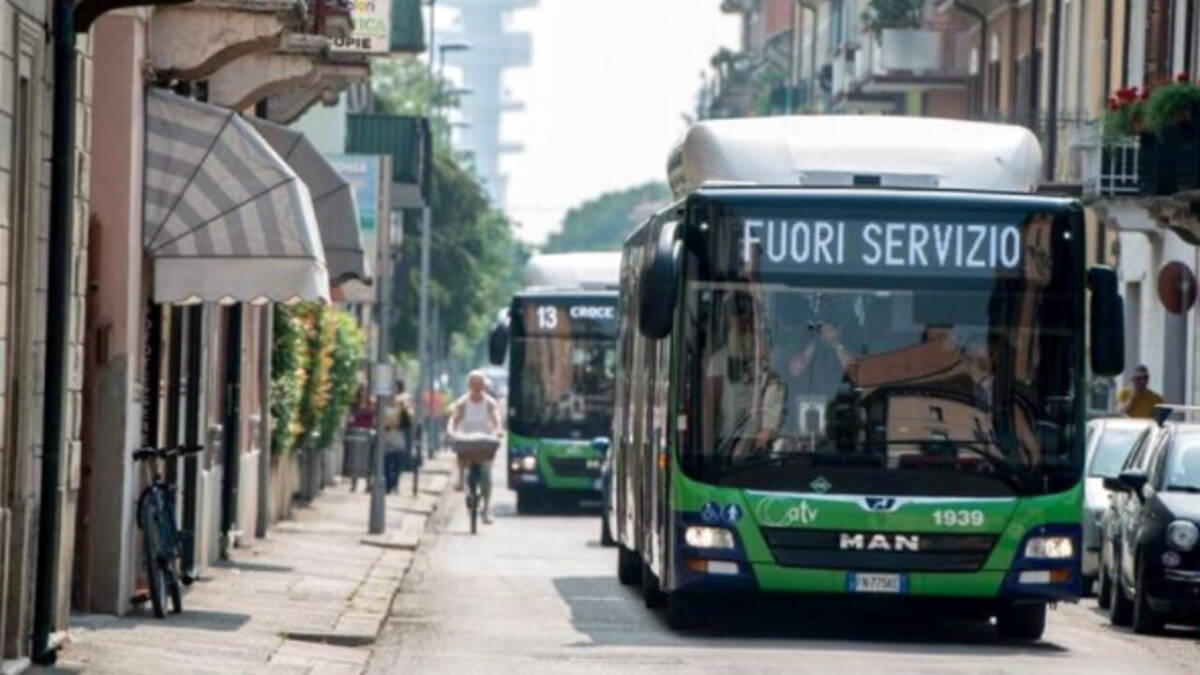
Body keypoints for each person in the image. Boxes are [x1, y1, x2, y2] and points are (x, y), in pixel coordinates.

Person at [447, 370, 504, 523]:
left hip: (485, 442)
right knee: (461, 458)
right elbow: (454, 419)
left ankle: (486, 510)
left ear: (484, 386)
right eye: (474, 384)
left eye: (480, 384)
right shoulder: (463, 402)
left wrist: (498, 430)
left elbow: (496, 418)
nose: (477, 387)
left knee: (486, 475)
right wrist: (451, 430)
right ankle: (461, 481)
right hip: (467, 442)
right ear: (469, 385)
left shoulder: (490, 403)